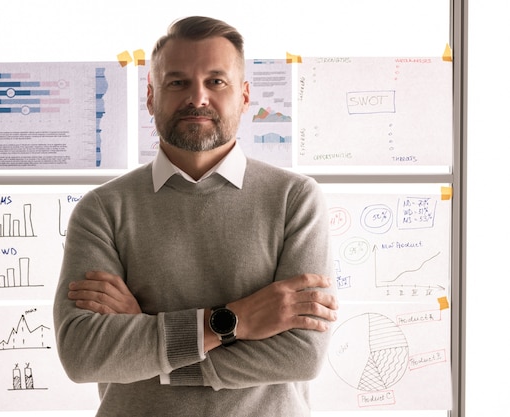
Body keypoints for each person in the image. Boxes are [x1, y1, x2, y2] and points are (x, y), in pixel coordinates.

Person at [53, 15, 338, 417]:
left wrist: (149, 346)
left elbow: (301, 355)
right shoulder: (102, 209)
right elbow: (84, 354)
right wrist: (235, 320)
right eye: (177, 82)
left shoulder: (295, 200)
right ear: (151, 96)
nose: (198, 97)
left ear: (243, 96)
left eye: (216, 81)